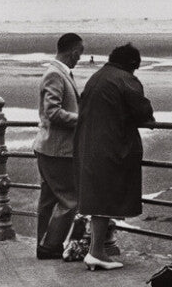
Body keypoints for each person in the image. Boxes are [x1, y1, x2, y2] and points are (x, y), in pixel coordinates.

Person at [75, 43, 155, 271]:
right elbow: (143, 112)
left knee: (98, 197)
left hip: (87, 144)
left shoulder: (97, 76)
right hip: (110, 146)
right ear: (132, 65)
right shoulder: (125, 79)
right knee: (105, 197)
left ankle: (96, 250)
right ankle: (96, 252)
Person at [32, 33, 85, 260]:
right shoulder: (56, 74)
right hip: (58, 149)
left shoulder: (55, 72)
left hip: (47, 147)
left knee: (48, 199)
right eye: (79, 54)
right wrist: (82, 120)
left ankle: (43, 242)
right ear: (73, 52)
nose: (79, 59)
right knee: (70, 199)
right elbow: (52, 112)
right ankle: (50, 246)